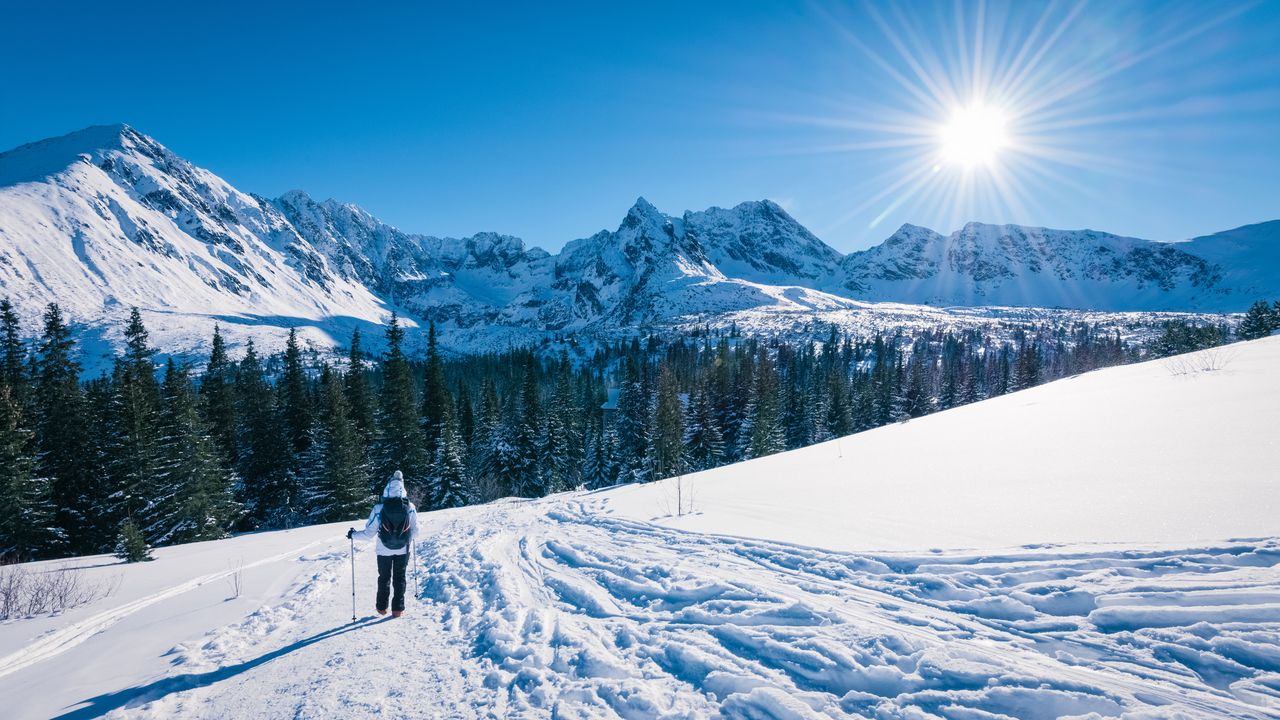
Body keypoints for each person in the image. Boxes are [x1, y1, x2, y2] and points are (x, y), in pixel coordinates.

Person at [347, 470, 419, 617]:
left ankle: (381, 608)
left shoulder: (379, 508)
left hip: (383, 550)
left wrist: (353, 534)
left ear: (387, 488)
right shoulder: (410, 507)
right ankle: (398, 610)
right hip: (403, 550)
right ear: (402, 488)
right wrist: (405, 538)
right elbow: (416, 532)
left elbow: (368, 534)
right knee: (400, 578)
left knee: (384, 577)